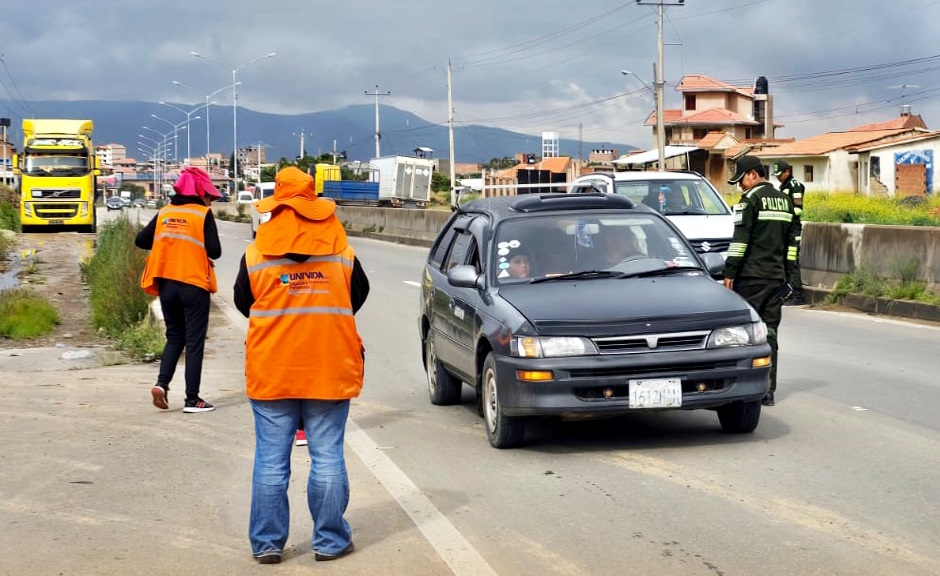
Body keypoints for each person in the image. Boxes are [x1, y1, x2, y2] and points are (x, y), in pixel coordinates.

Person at [233, 166, 370, 565]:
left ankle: (268, 544)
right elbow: (355, 297)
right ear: (314, 204)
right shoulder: (342, 251)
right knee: (327, 454)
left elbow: (246, 303)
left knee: (271, 460)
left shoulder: (256, 253)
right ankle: (329, 541)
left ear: (275, 206)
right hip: (329, 365)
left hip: (272, 368)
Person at [137, 166, 221, 413]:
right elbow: (215, 251)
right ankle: (192, 399)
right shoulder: (202, 214)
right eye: (209, 196)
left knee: (175, 336)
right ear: (199, 192)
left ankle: (162, 384)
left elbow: (141, 240)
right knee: (194, 342)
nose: (210, 201)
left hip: (166, 285)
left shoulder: (165, 212)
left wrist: (170, 241)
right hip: (193, 285)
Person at [723, 155, 800, 407]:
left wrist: (729, 273)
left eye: (741, 180)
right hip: (776, 278)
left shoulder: (751, 200)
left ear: (753, 175)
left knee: (746, 335)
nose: (740, 186)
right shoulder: (787, 202)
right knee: (771, 334)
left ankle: (744, 391)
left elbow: (739, 243)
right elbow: (792, 245)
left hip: (751, 277)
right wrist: (788, 277)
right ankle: (768, 390)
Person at [773, 160, 806, 305]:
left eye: (780, 174)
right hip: (785, 230)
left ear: (787, 171)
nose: (778, 177)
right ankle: (788, 292)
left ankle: (798, 294)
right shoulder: (783, 186)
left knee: (792, 261)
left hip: (793, 230)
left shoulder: (794, 186)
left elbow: (798, 209)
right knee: (784, 261)